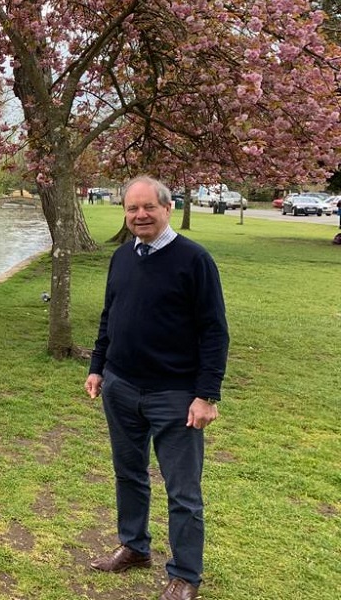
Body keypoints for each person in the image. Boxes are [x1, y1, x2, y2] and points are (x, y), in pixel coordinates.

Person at [84, 175, 229, 600]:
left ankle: (185, 575)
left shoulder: (194, 259)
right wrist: (98, 368)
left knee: (183, 490)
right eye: (132, 208)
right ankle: (134, 546)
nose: (140, 215)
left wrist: (207, 394)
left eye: (148, 207)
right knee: (128, 473)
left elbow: (214, 331)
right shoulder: (122, 257)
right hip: (121, 386)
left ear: (167, 208)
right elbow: (110, 316)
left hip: (175, 396)